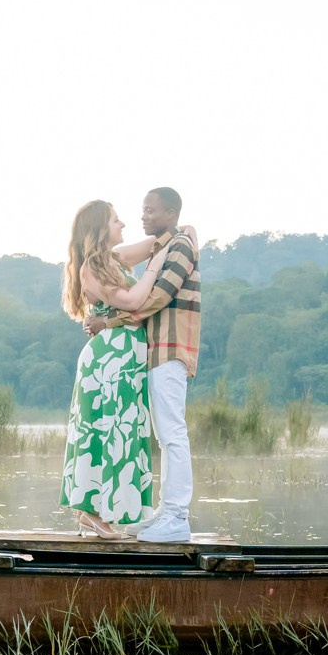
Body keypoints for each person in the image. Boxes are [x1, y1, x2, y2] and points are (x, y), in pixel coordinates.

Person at [88, 187, 200, 543]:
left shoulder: (180, 245)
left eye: (151, 211)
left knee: (173, 435)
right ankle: (164, 514)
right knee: (164, 436)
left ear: (171, 213)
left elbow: (158, 297)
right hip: (155, 351)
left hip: (171, 348)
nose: (143, 217)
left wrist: (110, 322)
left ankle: (177, 517)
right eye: (142, 210)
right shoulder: (165, 245)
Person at [60, 200, 173, 538]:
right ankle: (90, 512)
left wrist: (180, 235)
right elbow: (133, 301)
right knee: (107, 431)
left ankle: (100, 513)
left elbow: (156, 243)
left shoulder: (113, 259)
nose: (122, 224)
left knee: (124, 431)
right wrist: (157, 267)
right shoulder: (91, 269)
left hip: (126, 357)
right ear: (98, 228)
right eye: (115, 220)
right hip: (109, 359)